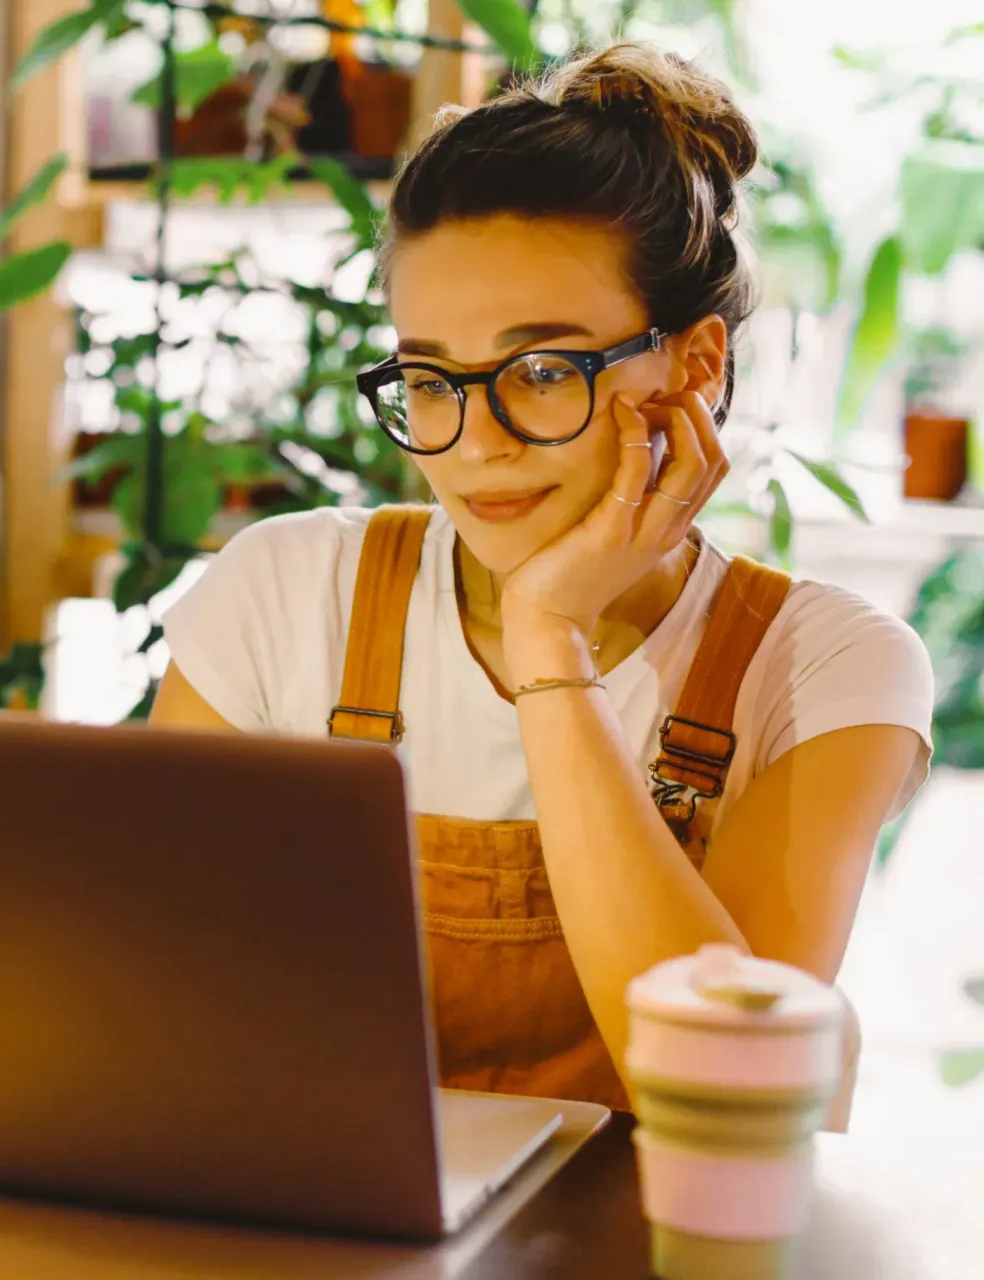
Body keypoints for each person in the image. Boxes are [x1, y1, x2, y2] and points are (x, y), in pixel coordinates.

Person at [152, 43, 933, 1119]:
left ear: (694, 364)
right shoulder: (287, 590)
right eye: (431, 379)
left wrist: (550, 641)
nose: (475, 442)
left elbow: (728, 1090)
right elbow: (148, 996)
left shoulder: (826, 668)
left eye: (542, 371)